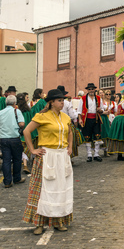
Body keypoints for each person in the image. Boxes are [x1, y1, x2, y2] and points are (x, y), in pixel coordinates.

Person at [23, 89, 73, 235]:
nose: (62, 102)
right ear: (51, 102)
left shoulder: (65, 117)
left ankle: (59, 221)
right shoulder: (42, 116)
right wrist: (32, 150)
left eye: (63, 100)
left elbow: (70, 132)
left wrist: (69, 147)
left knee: (60, 190)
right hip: (47, 155)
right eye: (59, 100)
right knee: (43, 191)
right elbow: (26, 131)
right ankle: (39, 223)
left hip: (61, 156)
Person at [0, 95, 26, 188]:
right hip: (15, 138)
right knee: (17, 159)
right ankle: (17, 178)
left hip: (3, 138)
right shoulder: (16, 111)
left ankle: (7, 182)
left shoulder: (1, 112)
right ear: (15, 103)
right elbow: (22, 124)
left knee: (6, 160)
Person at [77, 83, 105, 162]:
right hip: (86, 119)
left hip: (96, 119)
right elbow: (79, 111)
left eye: (92, 89)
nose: (91, 90)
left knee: (97, 136)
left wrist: (100, 110)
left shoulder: (99, 98)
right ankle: (89, 154)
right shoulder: (83, 98)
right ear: (87, 90)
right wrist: (80, 119)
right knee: (87, 137)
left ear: (94, 90)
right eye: (89, 89)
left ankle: (96, 154)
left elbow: (102, 109)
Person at [108, 92, 124, 160]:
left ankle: (120, 155)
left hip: (117, 120)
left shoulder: (121, 102)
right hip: (123, 120)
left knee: (119, 136)